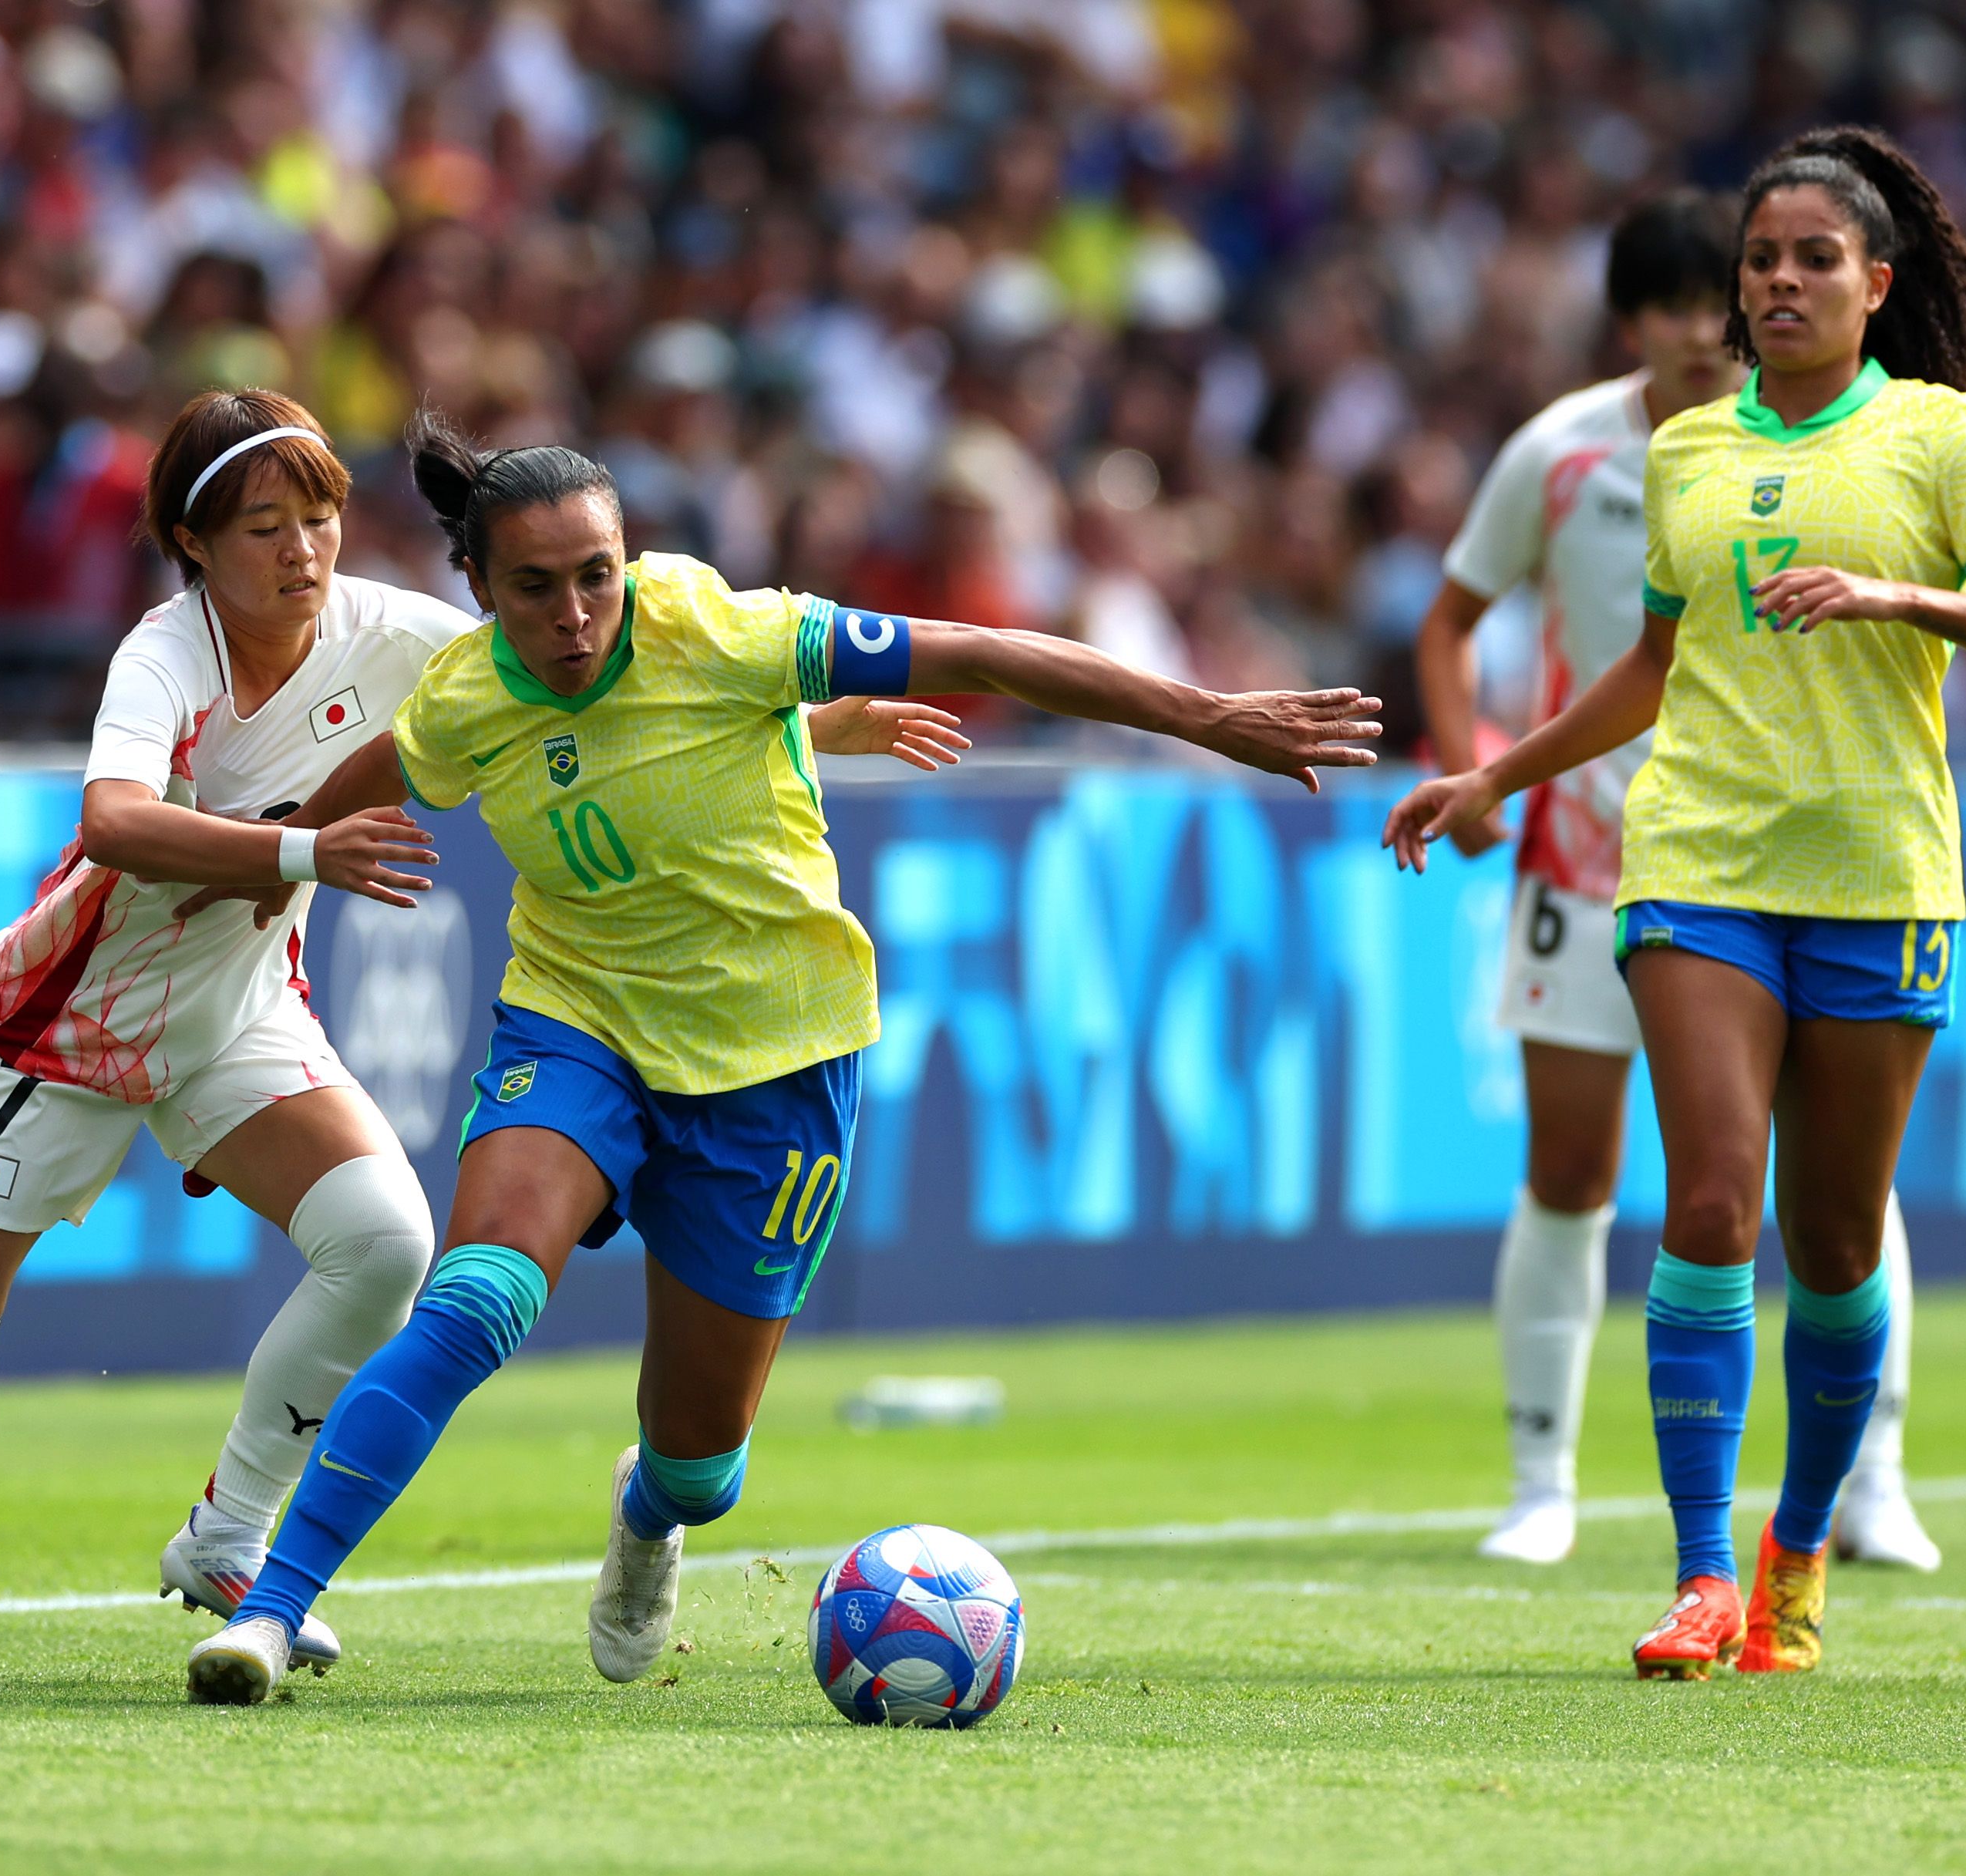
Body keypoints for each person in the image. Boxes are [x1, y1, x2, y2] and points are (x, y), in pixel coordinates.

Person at [0, 387, 968, 1672]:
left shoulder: (390, 631)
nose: (302, 552)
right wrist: (302, 849)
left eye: (320, 519)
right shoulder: (164, 655)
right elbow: (109, 822)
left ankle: (228, 1536)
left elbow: (590, 674)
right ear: (194, 545)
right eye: (265, 529)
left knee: (387, 1244)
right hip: (83, 1023)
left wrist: (815, 719)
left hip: (236, 1015)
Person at [177, 409, 1383, 1704]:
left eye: (599, 574)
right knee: (476, 1297)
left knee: (700, 1453)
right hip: (578, 1024)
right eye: (535, 587)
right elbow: (367, 785)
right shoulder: (469, 695)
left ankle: (649, 1516)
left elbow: (983, 650)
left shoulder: (717, 627)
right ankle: (272, 1607)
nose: (577, 612)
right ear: (478, 587)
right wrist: (268, 863)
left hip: (774, 1056)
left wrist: (1208, 718)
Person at [1385, 128, 1966, 1677]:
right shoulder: (1686, 450)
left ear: (1874, 284)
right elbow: (1652, 664)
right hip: (1696, 863)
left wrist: (1902, 595)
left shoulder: (1940, 438)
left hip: (1880, 874)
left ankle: (1799, 1541)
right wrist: (1492, 776)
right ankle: (1704, 1572)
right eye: (1758, 260)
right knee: (1709, 1202)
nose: (1778, 281)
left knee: (1833, 1247)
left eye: (1812, 259)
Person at [1412, 190, 1937, 1572]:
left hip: (1788, 859)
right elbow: (1456, 617)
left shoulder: (1842, 445)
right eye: (1697, 301)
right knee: (1575, 1170)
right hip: (1595, 859)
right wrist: (1477, 762)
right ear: (1633, 322)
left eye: (1756, 284)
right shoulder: (1571, 454)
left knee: (1829, 1184)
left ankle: (1870, 1474)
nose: (1721, 325)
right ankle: (1545, 1484)